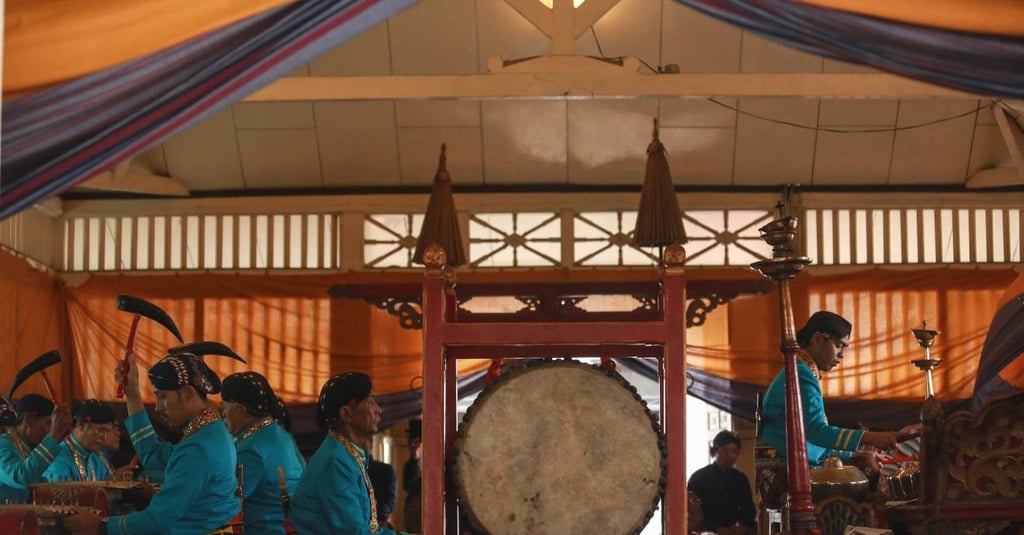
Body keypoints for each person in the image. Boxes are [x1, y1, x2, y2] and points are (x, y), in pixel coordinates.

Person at [63, 351, 239, 534]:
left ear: (187, 393)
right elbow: (154, 455)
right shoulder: (210, 432)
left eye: (162, 397)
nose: (158, 407)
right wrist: (131, 392)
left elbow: (158, 520)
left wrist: (101, 526)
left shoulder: (199, 447)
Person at [762, 311, 903, 467]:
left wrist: (856, 454)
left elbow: (816, 441)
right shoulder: (801, 374)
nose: (842, 355)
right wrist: (869, 438)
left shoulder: (803, 370)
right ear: (817, 339)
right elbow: (817, 431)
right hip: (784, 468)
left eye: (845, 348)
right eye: (838, 346)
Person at [289, 372, 396, 535]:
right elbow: (353, 531)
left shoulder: (347, 453)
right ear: (346, 413)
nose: (378, 410)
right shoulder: (335, 461)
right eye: (370, 401)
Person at [221, 371, 305, 535]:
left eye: (224, 407)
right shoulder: (280, 434)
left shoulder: (252, 450)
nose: (223, 413)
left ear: (240, 409)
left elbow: (230, 500)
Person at [0, 394, 70, 502]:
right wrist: (54, 435)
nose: (49, 431)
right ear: (28, 419)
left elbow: (38, 485)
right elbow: (20, 478)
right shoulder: (3, 444)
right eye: (48, 424)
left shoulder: (24, 447)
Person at [687, 431, 757, 535]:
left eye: (736, 452)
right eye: (730, 450)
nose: (733, 456)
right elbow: (692, 513)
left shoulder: (740, 479)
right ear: (718, 449)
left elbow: (748, 509)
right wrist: (716, 529)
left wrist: (743, 527)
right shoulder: (698, 477)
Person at [44, 399, 115, 482]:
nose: (104, 437)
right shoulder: (58, 458)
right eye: (100, 430)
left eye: (107, 431)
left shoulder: (97, 458)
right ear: (80, 424)